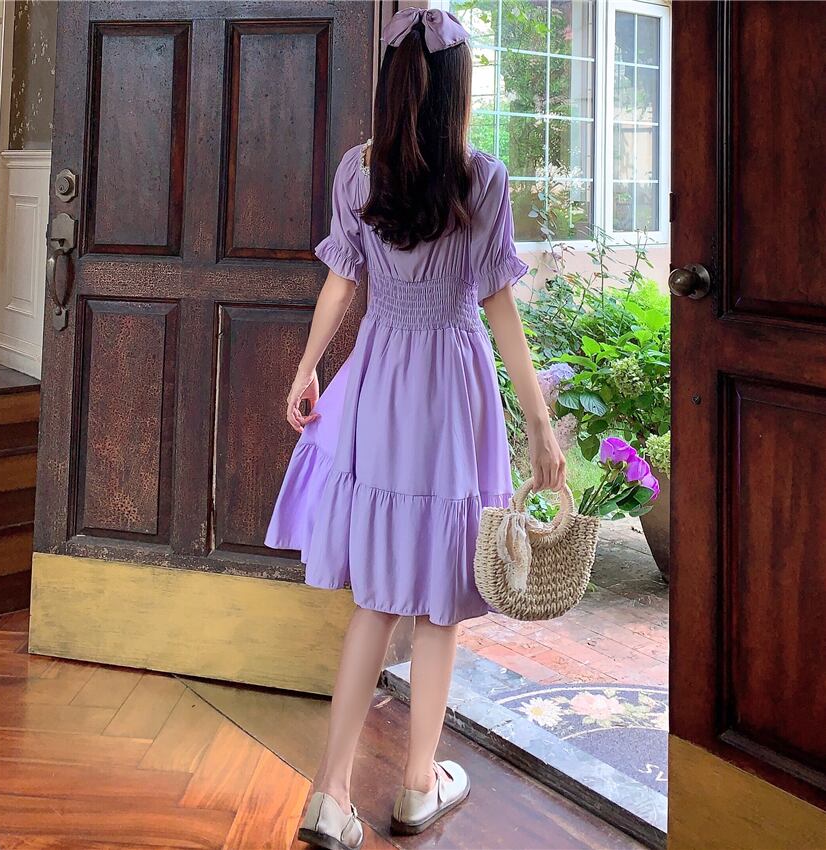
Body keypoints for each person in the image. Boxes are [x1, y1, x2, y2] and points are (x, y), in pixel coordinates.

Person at [264, 7, 566, 848]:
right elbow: (500, 311)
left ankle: (330, 799)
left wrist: (308, 366)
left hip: (380, 378)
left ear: (391, 86)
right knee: (438, 598)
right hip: (452, 388)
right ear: (457, 90)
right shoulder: (482, 180)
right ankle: (416, 786)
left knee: (375, 597)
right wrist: (540, 425)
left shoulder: (359, 172)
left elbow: (341, 280)